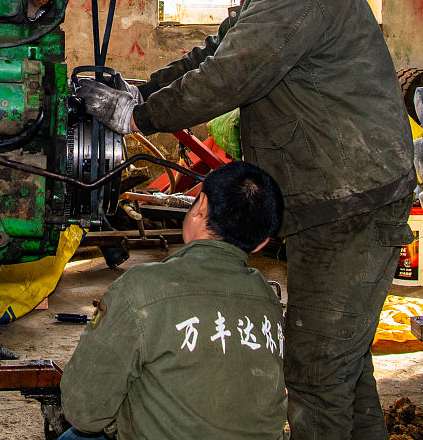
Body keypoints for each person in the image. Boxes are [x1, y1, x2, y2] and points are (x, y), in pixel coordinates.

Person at [77, 0, 415, 440]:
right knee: (345, 371)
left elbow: (230, 75)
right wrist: (140, 90)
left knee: (314, 381)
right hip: (336, 200)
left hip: (351, 205)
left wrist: (137, 117)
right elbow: (213, 53)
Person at [59, 161, 287, 440]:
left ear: (200, 205)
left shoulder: (140, 289)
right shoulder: (268, 298)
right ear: (262, 243)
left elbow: (83, 411)